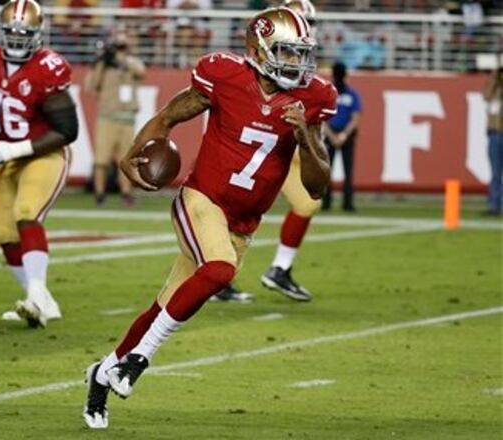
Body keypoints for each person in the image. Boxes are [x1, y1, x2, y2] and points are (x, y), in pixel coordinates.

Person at [83, 7, 336, 429]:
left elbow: (317, 186)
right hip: (201, 200)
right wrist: (132, 155)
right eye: (287, 53)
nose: (296, 63)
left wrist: (305, 135)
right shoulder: (224, 76)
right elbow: (168, 118)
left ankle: (104, 370)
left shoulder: (314, 99)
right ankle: (140, 360)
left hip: (242, 222)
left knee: (166, 305)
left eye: (300, 53)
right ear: (259, 50)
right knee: (219, 270)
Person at [0, 0, 79, 328]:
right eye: (10, 33)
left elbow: (68, 131)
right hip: (5, 153)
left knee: (27, 213)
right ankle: (42, 302)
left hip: (43, 153)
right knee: (3, 231)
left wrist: (16, 150)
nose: (15, 40)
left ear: (38, 34)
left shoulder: (49, 67)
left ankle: (36, 296)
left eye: (23, 33)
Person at [214, 0, 323, 303]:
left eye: (309, 25)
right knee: (233, 209)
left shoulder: (306, 73)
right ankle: (217, 273)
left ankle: (279, 268)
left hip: (285, 150)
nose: (306, 32)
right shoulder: (254, 66)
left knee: (307, 204)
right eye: (301, 22)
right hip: (255, 147)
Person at [84, 32, 146, 207]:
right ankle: (99, 194)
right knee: (101, 160)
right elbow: (91, 86)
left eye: (122, 46)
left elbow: (141, 72)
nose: (120, 50)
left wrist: (122, 60)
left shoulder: (132, 63)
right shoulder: (103, 65)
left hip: (127, 119)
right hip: (107, 118)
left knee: (126, 160)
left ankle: (126, 193)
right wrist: (102, 63)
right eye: (117, 47)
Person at [322, 61, 361, 212]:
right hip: (336, 134)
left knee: (344, 171)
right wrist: (335, 136)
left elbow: (355, 118)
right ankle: (333, 202)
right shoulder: (331, 93)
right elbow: (355, 117)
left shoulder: (349, 94)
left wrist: (342, 135)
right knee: (329, 171)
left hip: (343, 135)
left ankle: (345, 203)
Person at [484, 67, 502, 216]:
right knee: (495, 173)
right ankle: (494, 205)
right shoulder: (494, 90)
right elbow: (486, 96)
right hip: (495, 135)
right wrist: (494, 80)